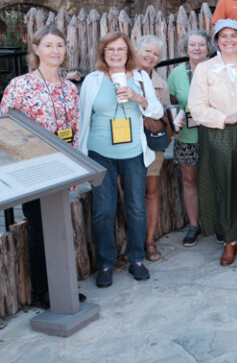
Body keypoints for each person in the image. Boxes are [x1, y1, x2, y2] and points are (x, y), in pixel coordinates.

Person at [1, 26, 79, 305]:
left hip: (63, 168)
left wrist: (75, 170)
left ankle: (63, 286)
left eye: (59, 45)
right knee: (40, 231)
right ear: (36, 49)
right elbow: (5, 127)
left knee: (60, 227)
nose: (55, 50)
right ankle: (42, 291)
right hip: (33, 168)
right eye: (48, 45)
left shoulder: (70, 88)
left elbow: (74, 129)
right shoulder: (20, 86)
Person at [78, 32, 163, 287]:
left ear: (128, 53)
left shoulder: (140, 78)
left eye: (120, 49)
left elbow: (157, 111)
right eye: (110, 49)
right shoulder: (93, 80)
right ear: (103, 53)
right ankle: (105, 263)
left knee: (136, 207)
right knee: (103, 211)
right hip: (100, 153)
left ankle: (136, 258)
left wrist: (138, 97)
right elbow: (83, 119)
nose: (115, 54)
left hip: (133, 153)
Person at [188, 19, 237, 266]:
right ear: (216, 41)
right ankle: (229, 240)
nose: (229, 40)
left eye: (234, 35)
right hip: (217, 132)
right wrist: (225, 117)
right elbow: (196, 106)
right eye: (224, 36)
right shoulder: (205, 68)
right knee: (223, 184)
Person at [167, 30, 213, 248]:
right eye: (192, 45)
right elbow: (172, 102)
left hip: (214, 134)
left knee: (216, 179)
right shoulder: (176, 74)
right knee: (189, 181)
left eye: (201, 44)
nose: (196, 48)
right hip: (187, 136)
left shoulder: (216, 69)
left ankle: (216, 222)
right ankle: (194, 225)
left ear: (208, 48)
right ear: (185, 49)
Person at [135, 35, 172, 262]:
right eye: (147, 51)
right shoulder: (122, 76)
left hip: (151, 141)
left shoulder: (161, 84)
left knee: (151, 191)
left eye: (155, 54)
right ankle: (135, 240)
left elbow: (165, 114)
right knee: (129, 193)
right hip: (126, 142)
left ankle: (149, 241)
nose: (151, 56)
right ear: (137, 50)